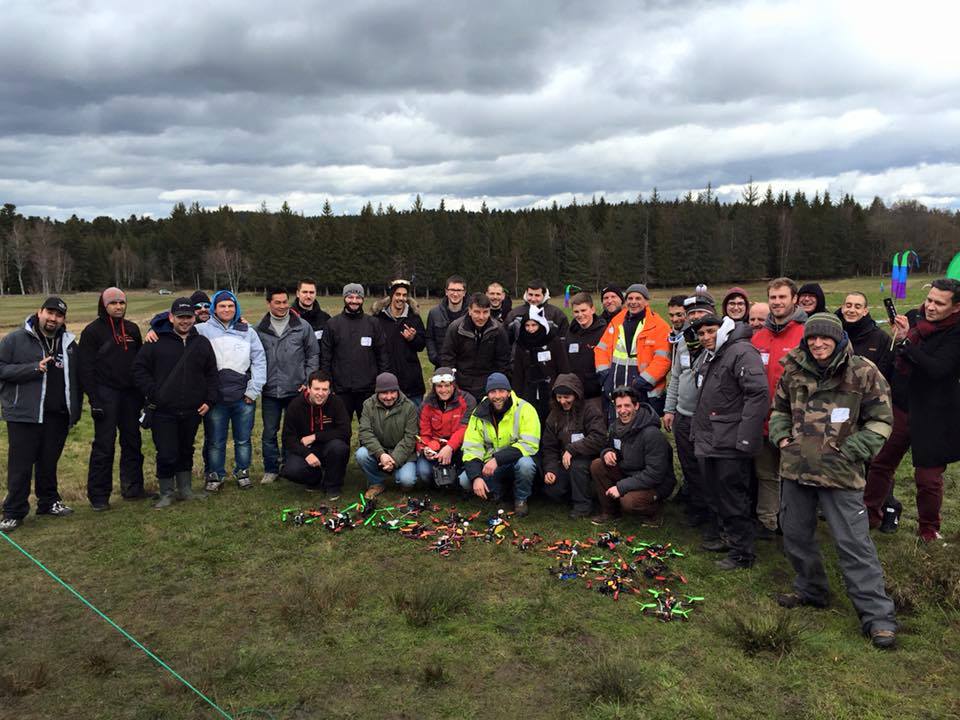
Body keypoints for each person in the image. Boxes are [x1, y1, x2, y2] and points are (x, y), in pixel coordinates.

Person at [769, 312, 897, 648]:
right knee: (795, 535)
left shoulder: (863, 373)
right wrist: (782, 438)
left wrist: (851, 450)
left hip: (840, 475)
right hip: (795, 471)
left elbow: (881, 421)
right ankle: (812, 590)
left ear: (839, 339)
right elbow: (779, 409)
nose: (818, 343)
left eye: (825, 337)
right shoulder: (793, 370)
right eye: (812, 338)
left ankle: (878, 616)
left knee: (853, 545)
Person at [863, 279, 960, 543]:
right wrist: (900, 339)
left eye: (939, 303)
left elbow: (938, 369)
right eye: (929, 299)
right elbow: (897, 359)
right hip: (901, 407)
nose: (930, 306)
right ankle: (869, 514)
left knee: (927, 478)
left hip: (934, 414)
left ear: (956, 308)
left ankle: (928, 529)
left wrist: (907, 343)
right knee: (881, 463)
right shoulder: (917, 319)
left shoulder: (956, 333)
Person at [692, 315, 769, 570]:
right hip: (712, 438)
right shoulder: (714, 354)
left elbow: (757, 395)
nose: (705, 337)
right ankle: (728, 538)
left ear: (723, 329)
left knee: (733, 496)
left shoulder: (742, 352)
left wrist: (746, 438)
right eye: (701, 334)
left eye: (710, 331)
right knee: (717, 493)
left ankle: (742, 553)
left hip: (731, 441)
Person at [0, 297, 81, 532]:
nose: (53, 319)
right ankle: (13, 511)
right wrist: (33, 368)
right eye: (50, 313)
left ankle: (48, 502)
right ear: (39, 312)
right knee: (21, 466)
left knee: (48, 463)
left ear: (63, 319)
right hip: (24, 414)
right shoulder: (16, 339)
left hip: (57, 415)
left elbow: (76, 380)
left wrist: (74, 410)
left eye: (59, 315)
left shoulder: (68, 343)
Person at [132, 298, 219, 509]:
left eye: (189, 317)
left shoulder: (202, 343)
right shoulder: (155, 342)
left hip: (192, 409)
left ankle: (186, 489)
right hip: (163, 411)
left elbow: (211, 374)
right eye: (180, 317)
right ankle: (166, 492)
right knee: (167, 452)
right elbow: (139, 370)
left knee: (186, 449)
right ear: (171, 317)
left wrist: (209, 400)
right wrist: (153, 392)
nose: (185, 321)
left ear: (194, 317)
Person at [77, 287, 146, 509]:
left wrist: (142, 395)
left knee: (132, 441)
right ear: (104, 305)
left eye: (122, 303)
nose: (118, 307)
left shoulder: (133, 330)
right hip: (105, 393)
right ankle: (99, 496)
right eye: (113, 303)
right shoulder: (92, 332)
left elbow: (140, 363)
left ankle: (133, 488)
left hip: (130, 395)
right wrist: (94, 400)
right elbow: (85, 369)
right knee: (104, 446)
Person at [751, 277, 807, 536]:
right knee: (766, 474)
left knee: (794, 477)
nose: (777, 302)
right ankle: (767, 521)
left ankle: (793, 524)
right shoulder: (759, 337)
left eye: (782, 297)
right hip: (763, 420)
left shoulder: (806, 334)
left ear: (794, 299)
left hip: (795, 422)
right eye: (773, 297)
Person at [198, 290, 267, 492]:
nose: (227, 309)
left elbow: (260, 361)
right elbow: (173, 321)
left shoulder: (248, 331)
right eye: (222, 306)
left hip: (242, 398)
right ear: (214, 309)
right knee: (215, 441)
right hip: (215, 399)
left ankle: (242, 472)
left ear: (236, 308)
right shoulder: (202, 330)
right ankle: (215, 475)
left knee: (243, 440)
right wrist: (155, 327)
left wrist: (252, 391)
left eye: (230, 306)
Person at [255, 287, 320, 485]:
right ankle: (271, 469)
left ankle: (290, 465)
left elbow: (313, 355)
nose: (282, 306)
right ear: (269, 303)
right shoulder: (259, 329)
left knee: (292, 431)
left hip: (296, 390)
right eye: (278, 302)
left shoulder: (302, 326)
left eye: (285, 302)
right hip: (271, 391)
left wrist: (307, 381)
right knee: (269, 432)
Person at [664, 290, 716, 525]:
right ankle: (696, 508)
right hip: (683, 415)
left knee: (708, 468)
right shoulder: (685, 341)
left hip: (707, 419)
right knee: (688, 465)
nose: (694, 318)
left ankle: (712, 513)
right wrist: (669, 409)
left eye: (699, 313)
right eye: (691, 314)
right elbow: (675, 376)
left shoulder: (717, 340)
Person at [589, 386, 675, 524]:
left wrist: (621, 487)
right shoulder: (615, 427)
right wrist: (607, 452)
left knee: (629, 502)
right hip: (629, 473)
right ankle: (611, 512)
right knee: (597, 465)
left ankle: (655, 512)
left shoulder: (651, 434)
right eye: (619, 406)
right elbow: (608, 446)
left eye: (627, 405)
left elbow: (655, 474)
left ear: (636, 406)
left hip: (656, 483)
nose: (622, 411)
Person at [461, 373, 540, 517]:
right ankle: (498, 494)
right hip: (490, 466)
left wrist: (497, 459)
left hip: (516, 461)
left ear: (509, 392)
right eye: (493, 392)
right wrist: (476, 477)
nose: (497, 396)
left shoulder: (525, 409)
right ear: (488, 394)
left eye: (501, 391)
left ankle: (521, 499)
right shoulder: (478, 413)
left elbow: (530, 444)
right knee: (465, 480)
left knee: (526, 465)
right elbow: (471, 448)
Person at [594, 283, 672, 415]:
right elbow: (601, 349)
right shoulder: (617, 321)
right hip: (616, 390)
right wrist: (605, 375)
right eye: (630, 298)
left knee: (642, 431)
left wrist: (643, 382)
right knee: (616, 430)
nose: (633, 302)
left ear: (646, 301)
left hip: (644, 393)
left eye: (638, 298)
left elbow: (663, 359)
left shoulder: (659, 326)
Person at [541, 374, 607, 518]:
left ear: (576, 395)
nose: (562, 401)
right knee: (553, 490)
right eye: (559, 397)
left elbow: (599, 438)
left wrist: (572, 449)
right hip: (564, 461)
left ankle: (583, 506)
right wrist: (550, 469)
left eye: (567, 397)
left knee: (578, 466)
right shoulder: (553, 416)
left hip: (589, 458)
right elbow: (549, 447)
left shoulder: (590, 410)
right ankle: (577, 493)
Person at [320, 283, 388, 421]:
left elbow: (383, 355)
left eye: (358, 297)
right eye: (350, 297)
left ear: (363, 299)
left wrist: (380, 384)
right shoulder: (332, 324)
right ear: (344, 298)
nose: (354, 301)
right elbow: (326, 358)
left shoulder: (373, 323)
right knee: (340, 430)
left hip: (368, 390)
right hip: (341, 390)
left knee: (370, 429)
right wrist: (329, 386)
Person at [281, 370, 350, 499]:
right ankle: (314, 479)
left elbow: (345, 431)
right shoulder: (295, 405)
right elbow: (288, 438)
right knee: (290, 470)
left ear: (329, 390)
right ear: (308, 388)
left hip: (329, 447)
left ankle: (333, 486)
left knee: (340, 448)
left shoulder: (336, 403)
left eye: (325, 389)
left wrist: (315, 437)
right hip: (306, 450)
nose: (320, 393)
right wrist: (306, 454)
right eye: (316, 389)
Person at [356, 372, 419, 498]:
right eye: (384, 393)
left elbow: (410, 437)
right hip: (381, 450)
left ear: (398, 391)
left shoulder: (409, 407)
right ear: (377, 392)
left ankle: (401, 478)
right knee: (361, 454)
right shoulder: (368, 405)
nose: (389, 397)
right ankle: (376, 483)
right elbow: (365, 432)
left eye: (393, 392)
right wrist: (381, 454)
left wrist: (394, 460)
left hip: (403, 453)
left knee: (407, 480)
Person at [440, 292, 511, 404]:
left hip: (488, 385)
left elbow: (503, 362)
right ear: (470, 310)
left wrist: (495, 387)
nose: (481, 317)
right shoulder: (456, 328)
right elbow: (447, 358)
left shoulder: (498, 330)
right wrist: (453, 385)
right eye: (477, 312)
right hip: (461, 386)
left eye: (485, 312)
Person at [416, 367, 476, 489]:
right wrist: (426, 449)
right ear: (434, 387)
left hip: (460, 448)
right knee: (423, 472)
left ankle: (457, 482)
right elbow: (424, 433)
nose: (444, 390)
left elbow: (465, 428)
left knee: (463, 479)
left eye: (447, 385)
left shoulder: (468, 400)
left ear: (454, 385)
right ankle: (437, 484)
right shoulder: (426, 404)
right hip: (436, 448)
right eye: (439, 386)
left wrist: (450, 447)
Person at [373, 279, 427, 405]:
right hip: (386, 381)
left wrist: (412, 339)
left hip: (411, 383)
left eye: (404, 295)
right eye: (398, 294)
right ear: (392, 296)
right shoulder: (378, 319)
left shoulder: (414, 317)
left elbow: (421, 345)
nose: (401, 298)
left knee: (413, 422)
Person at [512, 306, 571, 422]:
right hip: (529, 393)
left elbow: (563, 368)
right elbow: (518, 374)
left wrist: (564, 390)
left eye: (534, 325)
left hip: (552, 393)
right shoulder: (521, 344)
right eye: (527, 326)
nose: (530, 329)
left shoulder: (553, 341)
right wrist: (517, 397)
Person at [838, 292, 893, 380]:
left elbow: (886, 372)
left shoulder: (880, 338)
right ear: (842, 308)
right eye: (848, 306)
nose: (851, 310)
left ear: (865, 311)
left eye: (857, 307)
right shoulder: (833, 333)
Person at [566, 292, 607, 406]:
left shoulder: (604, 332)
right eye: (576, 312)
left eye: (583, 310)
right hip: (574, 394)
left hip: (596, 395)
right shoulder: (570, 332)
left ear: (592, 309)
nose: (580, 315)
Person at [505, 279, 570, 342]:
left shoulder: (557, 314)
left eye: (537, 295)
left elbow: (564, 340)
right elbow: (505, 339)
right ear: (526, 293)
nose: (533, 299)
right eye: (530, 295)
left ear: (544, 295)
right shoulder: (514, 313)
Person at [426, 275, 467, 368]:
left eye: (459, 290)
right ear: (446, 292)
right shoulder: (434, 313)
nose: (455, 294)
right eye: (452, 290)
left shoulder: (471, 314)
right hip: (441, 366)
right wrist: (435, 358)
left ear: (464, 292)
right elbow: (429, 338)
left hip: (466, 369)